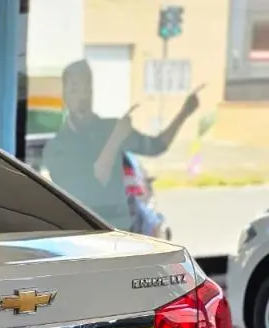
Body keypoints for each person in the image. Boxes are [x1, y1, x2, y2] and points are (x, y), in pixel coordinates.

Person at [42, 59, 202, 230]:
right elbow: (95, 182)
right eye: (75, 90)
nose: (83, 97)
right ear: (65, 96)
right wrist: (116, 138)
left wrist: (184, 113)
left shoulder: (110, 127)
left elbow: (156, 146)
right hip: (80, 234)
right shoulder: (56, 148)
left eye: (88, 89)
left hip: (118, 232)